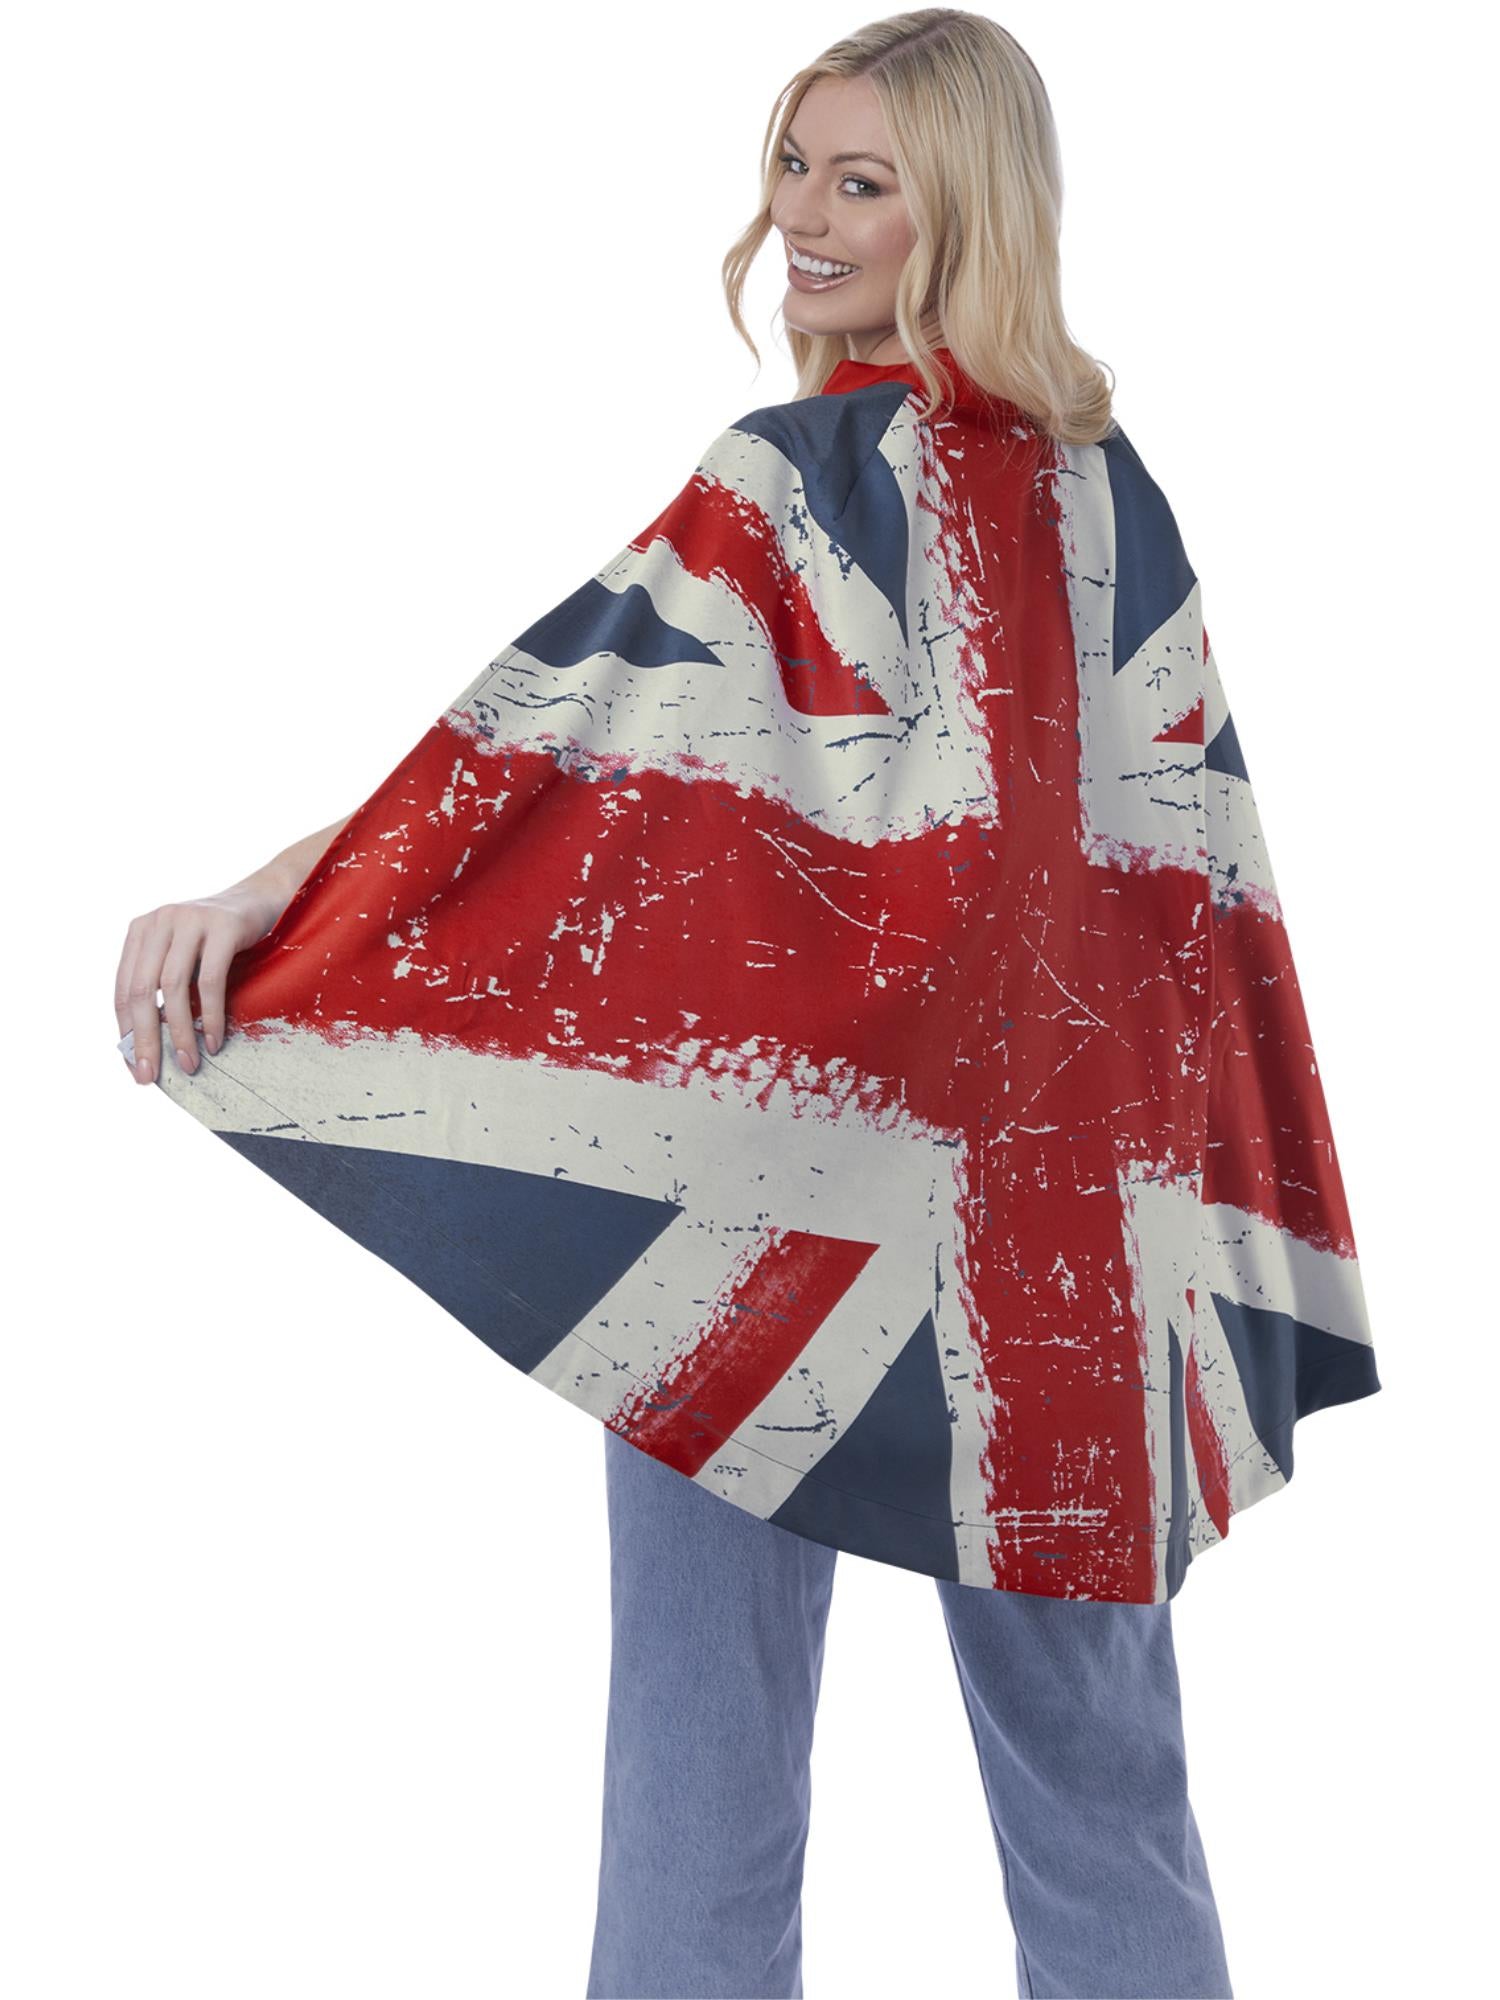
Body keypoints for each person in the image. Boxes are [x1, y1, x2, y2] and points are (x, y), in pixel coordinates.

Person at [117, 12, 1382, 1997]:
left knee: (702, 1774)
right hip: (1066, 1239)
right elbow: (1177, 901)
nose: (803, 217)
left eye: (862, 183)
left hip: (768, 1207)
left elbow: (529, 768)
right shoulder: (1114, 498)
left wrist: (276, 900)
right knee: (1105, 1797)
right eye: (794, 165)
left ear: (965, 214)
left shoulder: (788, 478)